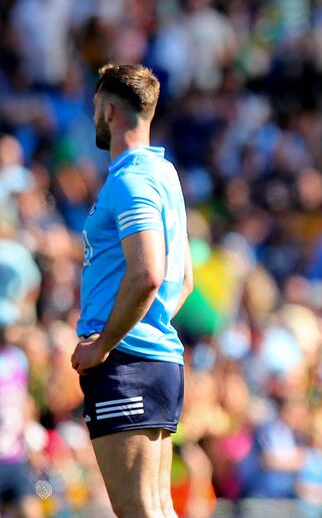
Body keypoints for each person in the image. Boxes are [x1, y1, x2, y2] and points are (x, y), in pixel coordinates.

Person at [71, 63, 193, 518]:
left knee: (139, 511)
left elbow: (148, 274)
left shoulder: (130, 179)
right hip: (156, 362)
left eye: (94, 109)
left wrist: (108, 342)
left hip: (128, 364)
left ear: (108, 110)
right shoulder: (164, 174)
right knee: (156, 509)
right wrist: (153, 324)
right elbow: (184, 281)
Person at [0, 307, 42, 518]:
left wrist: (30, 440)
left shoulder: (18, 359)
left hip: (14, 459)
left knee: (31, 511)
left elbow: (24, 401)